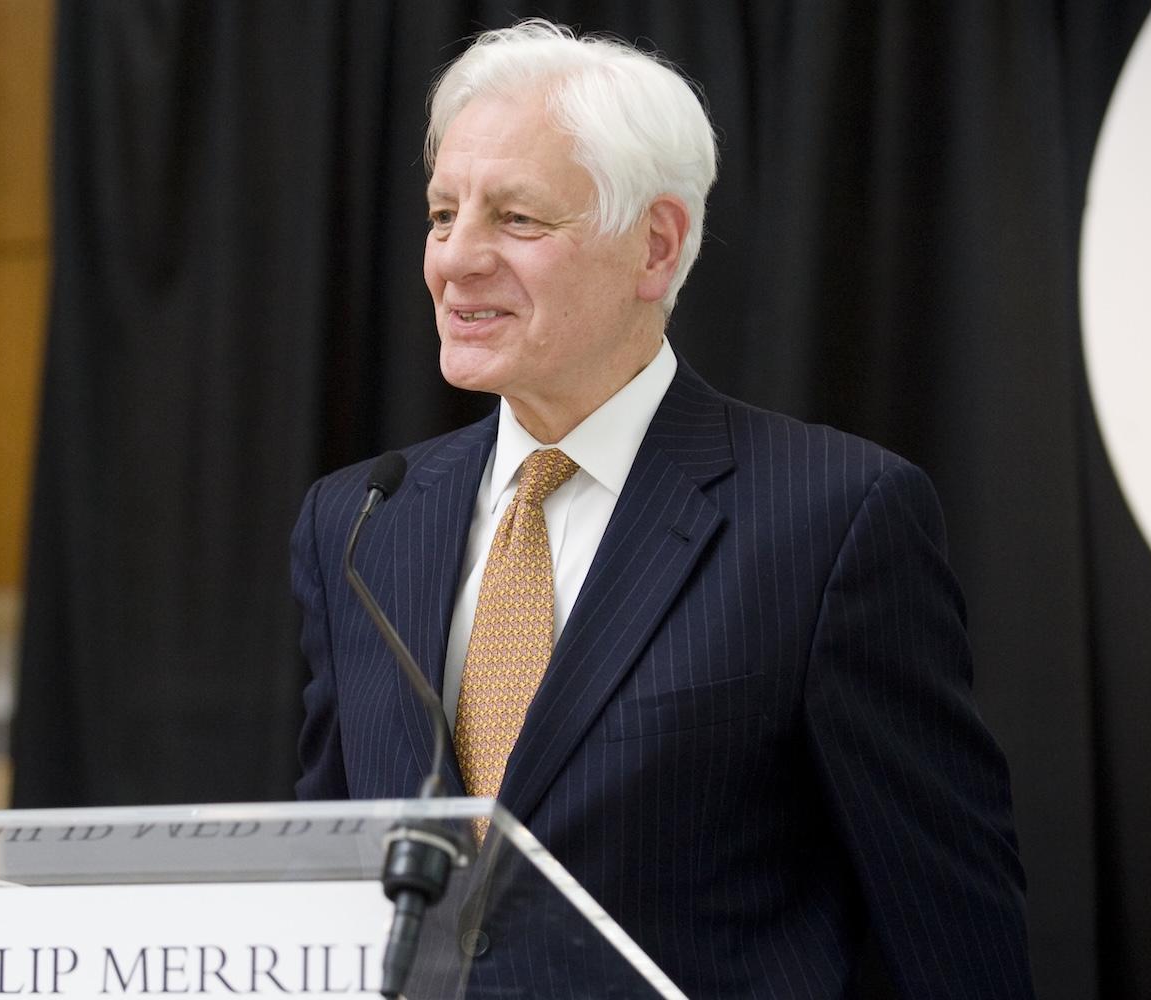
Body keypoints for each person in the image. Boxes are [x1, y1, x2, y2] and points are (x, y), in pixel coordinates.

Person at [290, 19, 1035, 998]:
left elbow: (950, 938)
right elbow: (320, 894)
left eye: (514, 219)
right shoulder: (356, 527)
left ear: (652, 245)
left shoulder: (831, 521)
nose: (453, 261)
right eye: (440, 215)